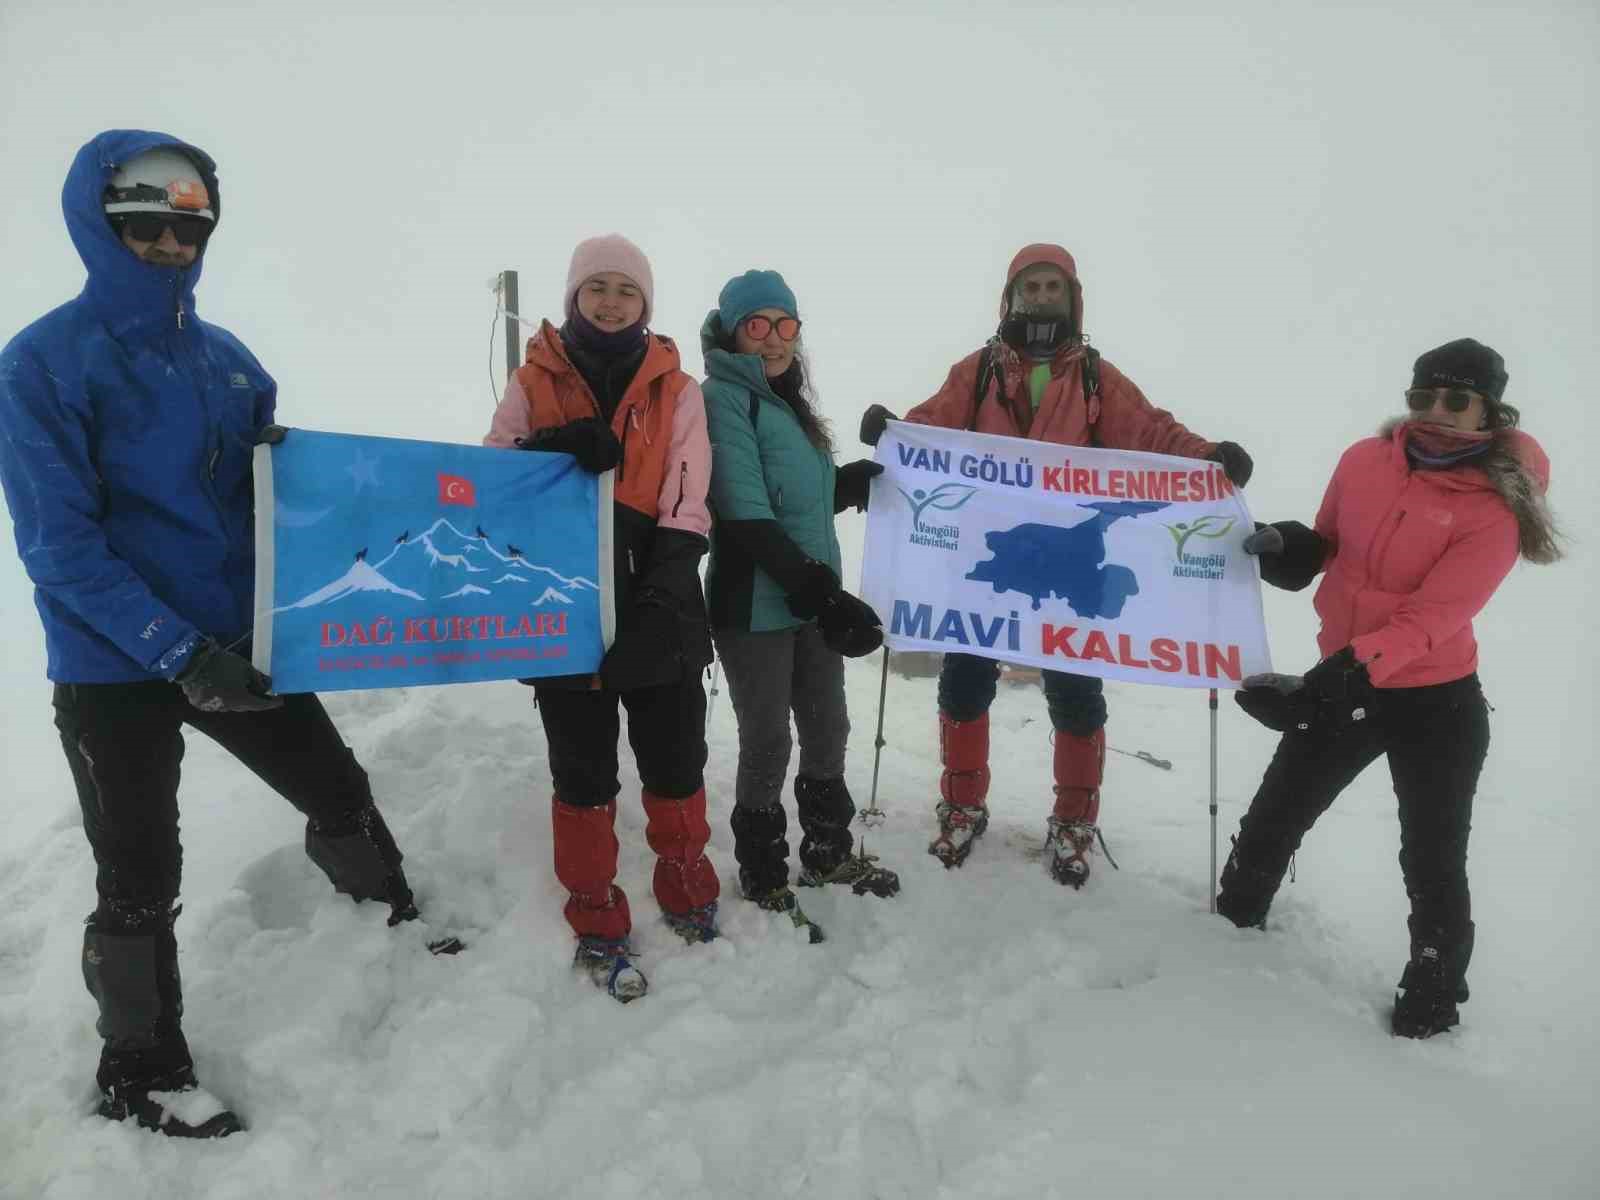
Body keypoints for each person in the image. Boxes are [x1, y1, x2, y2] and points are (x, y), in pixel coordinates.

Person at [0, 131, 428, 1139]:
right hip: (115, 663)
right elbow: (60, 549)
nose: (169, 243)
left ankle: (392, 918)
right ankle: (139, 1067)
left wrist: (304, 486)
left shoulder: (230, 363)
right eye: (146, 225)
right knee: (139, 866)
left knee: (334, 786)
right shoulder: (42, 365)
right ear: (102, 227)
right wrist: (178, 654)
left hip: (237, 641)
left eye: (187, 226)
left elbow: (278, 508)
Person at [859, 243, 1255, 885]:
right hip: (996, 560)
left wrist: (1209, 457)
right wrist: (896, 430)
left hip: (1069, 562)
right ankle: (962, 804)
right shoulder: (980, 372)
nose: (1041, 298)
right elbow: (934, 427)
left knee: (1075, 691)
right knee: (964, 681)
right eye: (1031, 287)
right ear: (1011, 298)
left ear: (1073, 298)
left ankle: (1074, 820)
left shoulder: (1096, 377)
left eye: (1053, 287)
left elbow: (1151, 434)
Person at [1223, 338, 1560, 1039]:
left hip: (1436, 702)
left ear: (1490, 412)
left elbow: (1434, 618)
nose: (1436, 411)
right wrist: (1289, 547)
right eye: (1422, 397)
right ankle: (1228, 931)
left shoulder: (1498, 506)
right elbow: (1328, 543)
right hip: (1344, 676)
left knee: (1433, 857)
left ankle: (1434, 994)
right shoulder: (1362, 461)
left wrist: (1327, 683)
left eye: (1456, 399)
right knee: (1274, 820)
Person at [484, 235, 719, 1001]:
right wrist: (552, 447)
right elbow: (494, 474)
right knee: (581, 769)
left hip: (662, 591)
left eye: (627, 289)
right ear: (574, 298)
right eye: (597, 288)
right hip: (563, 597)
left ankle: (687, 882)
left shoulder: (678, 388)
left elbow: (690, 497)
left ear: (646, 304)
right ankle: (594, 909)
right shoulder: (532, 378)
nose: (611, 300)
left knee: (675, 755)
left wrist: (658, 599)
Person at [699, 270, 898, 943]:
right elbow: (746, 512)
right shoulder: (724, 398)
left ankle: (827, 853)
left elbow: (797, 503)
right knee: (767, 739)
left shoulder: (787, 407)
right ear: (734, 331)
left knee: (828, 726)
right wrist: (823, 594)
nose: (776, 338)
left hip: (809, 592)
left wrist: (843, 484)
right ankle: (763, 872)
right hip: (753, 601)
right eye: (759, 324)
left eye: (787, 325)